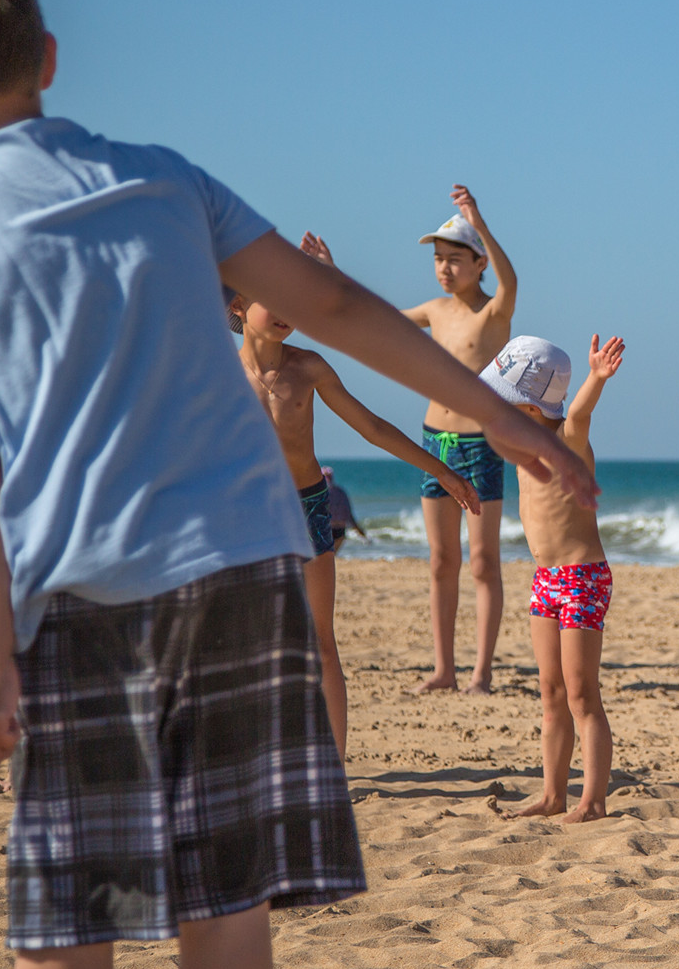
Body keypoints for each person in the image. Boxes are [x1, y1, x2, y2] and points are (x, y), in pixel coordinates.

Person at [0, 0, 596, 969]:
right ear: (46, 53)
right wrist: (515, 422)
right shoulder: (162, 181)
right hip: (244, 562)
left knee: (72, 907)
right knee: (226, 898)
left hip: (78, 589)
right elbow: (347, 310)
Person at [228, 236, 482, 758]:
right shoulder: (216, 375)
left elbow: (372, 428)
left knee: (321, 641)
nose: (286, 312)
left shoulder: (309, 368)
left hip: (309, 507)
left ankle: (334, 766)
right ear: (237, 305)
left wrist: (444, 472)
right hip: (249, 517)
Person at [495, 334, 623, 821]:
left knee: (581, 692)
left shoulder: (567, 439)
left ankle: (592, 800)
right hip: (546, 578)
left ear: (529, 408)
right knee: (550, 692)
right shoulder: (520, 446)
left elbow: (580, 413)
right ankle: (552, 795)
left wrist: (595, 377)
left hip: (583, 576)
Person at [404, 189, 520, 694]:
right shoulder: (434, 310)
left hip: (482, 444)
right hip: (436, 443)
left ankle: (481, 673)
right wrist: (333, 271)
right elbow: (375, 323)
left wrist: (479, 221)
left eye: (455, 259)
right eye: (438, 260)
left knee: (482, 562)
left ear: (478, 264)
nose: (444, 269)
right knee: (441, 560)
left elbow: (511, 278)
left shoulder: (495, 312)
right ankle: (444, 670)